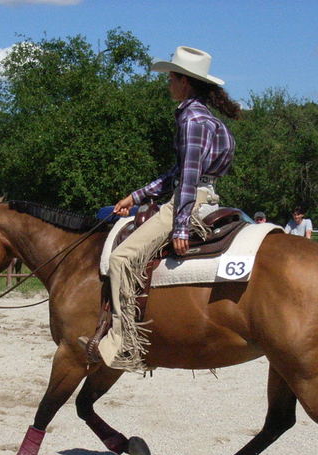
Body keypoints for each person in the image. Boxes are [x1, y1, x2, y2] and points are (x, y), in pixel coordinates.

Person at [81, 46, 240, 370]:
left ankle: (125, 345)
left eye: (171, 77)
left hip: (189, 199)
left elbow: (188, 177)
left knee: (122, 258)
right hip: (202, 193)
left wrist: (181, 226)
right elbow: (178, 173)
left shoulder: (191, 119)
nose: (167, 82)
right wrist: (136, 196)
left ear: (185, 81)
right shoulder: (206, 117)